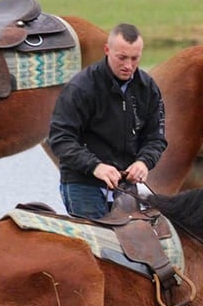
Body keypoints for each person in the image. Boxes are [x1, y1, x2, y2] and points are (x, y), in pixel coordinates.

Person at [48, 23, 167, 218]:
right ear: (107, 50)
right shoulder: (81, 87)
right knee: (97, 248)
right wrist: (96, 167)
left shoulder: (148, 88)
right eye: (121, 58)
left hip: (126, 187)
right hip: (83, 184)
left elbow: (156, 138)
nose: (128, 65)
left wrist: (144, 162)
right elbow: (60, 140)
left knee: (132, 246)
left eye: (135, 58)